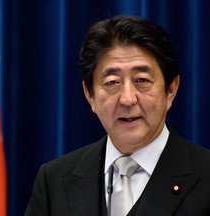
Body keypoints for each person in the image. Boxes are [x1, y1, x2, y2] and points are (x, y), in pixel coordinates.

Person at [25, 15, 210, 216]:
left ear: (171, 89)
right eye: (112, 82)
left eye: (142, 80)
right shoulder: (54, 180)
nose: (128, 99)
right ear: (90, 95)